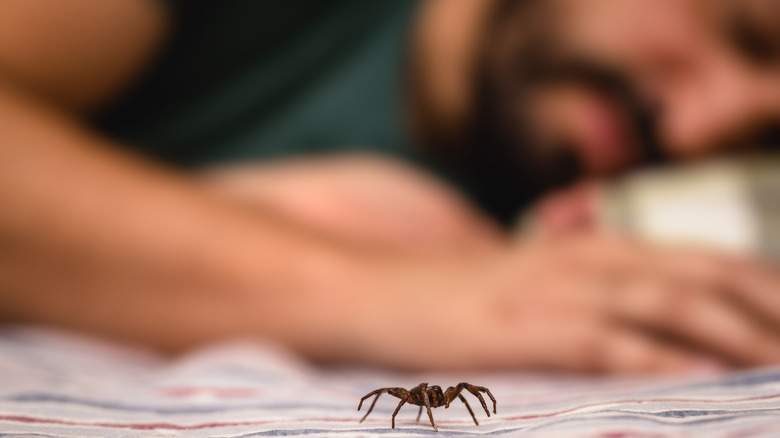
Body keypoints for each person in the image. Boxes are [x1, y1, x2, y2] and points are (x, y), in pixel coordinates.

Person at [1, 0, 780, 374]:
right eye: (744, 32)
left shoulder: (559, 237)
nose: (693, 131)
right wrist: (381, 294)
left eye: (766, 141)